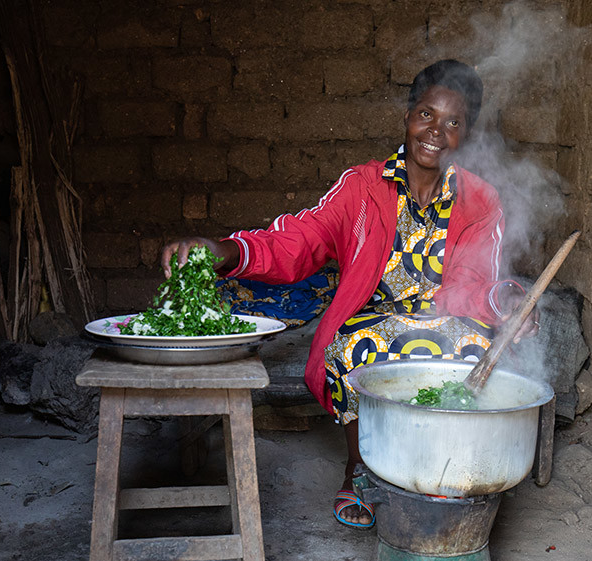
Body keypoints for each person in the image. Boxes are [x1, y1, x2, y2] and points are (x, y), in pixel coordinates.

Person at [161, 59, 539, 529]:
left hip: (446, 322)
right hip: (372, 319)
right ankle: (360, 466)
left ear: (467, 133)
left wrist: (506, 305)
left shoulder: (480, 200)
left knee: (476, 350)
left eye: (453, 122)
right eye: (426, 114)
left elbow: (476, 282)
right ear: (407, 115)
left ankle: (442, 469)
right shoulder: (362, 186)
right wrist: (227, 250)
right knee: (351, 348)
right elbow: (302, 238)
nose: (435, 131)